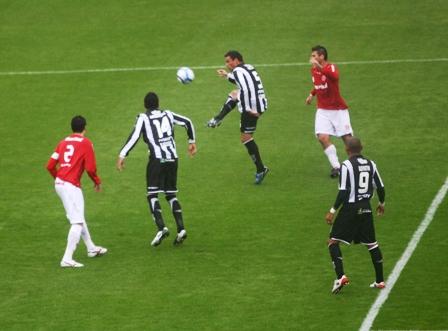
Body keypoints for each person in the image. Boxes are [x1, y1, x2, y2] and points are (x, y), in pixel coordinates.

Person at [117, 92, 197, 247]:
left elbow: (134, 136)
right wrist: (191, 141)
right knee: (171, 194)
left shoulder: (143, 118)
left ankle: (161, 228)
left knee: (152, 194)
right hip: (173, 159)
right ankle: (181, 229)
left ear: (145, 105)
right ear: (158, 103)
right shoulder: (168, 114)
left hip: (157, 160)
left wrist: (122, 155)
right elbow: (188, 122)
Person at [325, 137, 386, 294]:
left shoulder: (346, 165)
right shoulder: (371, 164)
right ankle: (380, 281)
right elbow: (380, 186)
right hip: (366, 208)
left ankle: (341, 277)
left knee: (332, 242)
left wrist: (332, 210)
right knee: (372, 243)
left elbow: (344, 191)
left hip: (350, 209)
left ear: (346, 150)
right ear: (362, 148)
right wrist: (382, 203)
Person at [46, 116, 107, 268]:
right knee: (77, 221)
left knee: (78, 216)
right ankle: (67, 258)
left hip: (60, 183)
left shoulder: (63, 142)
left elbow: (50, 165)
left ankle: (91, 248)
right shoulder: (86, 143)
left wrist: (59, 178)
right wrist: (97, 182)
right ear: (84, 128)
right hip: (70, 185)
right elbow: (90, 168)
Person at [207, 50, 269, 184]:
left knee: (245, 138)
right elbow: (245, 82)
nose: (227, 64)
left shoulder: (237, 72)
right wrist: (227, 75)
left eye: (228, 61)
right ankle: (218, 118)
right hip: (260, 102)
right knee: (235, 93)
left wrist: (247, 108)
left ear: (236, 60)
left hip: (252, 108)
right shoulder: (249, 67)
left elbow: (245, 89)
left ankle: (261, 169)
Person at [305, 45, 353, 178]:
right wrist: (311, 94)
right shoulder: (313, 70)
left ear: (322, 56)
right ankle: (336, 167)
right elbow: (318, 84)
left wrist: (319, 67)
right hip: (323, 110)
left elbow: (334, 77)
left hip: (338, 110)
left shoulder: (330, 67)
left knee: (348, 140)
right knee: (322, 137)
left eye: (314, 56)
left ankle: (354, 165)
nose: (312, 58)